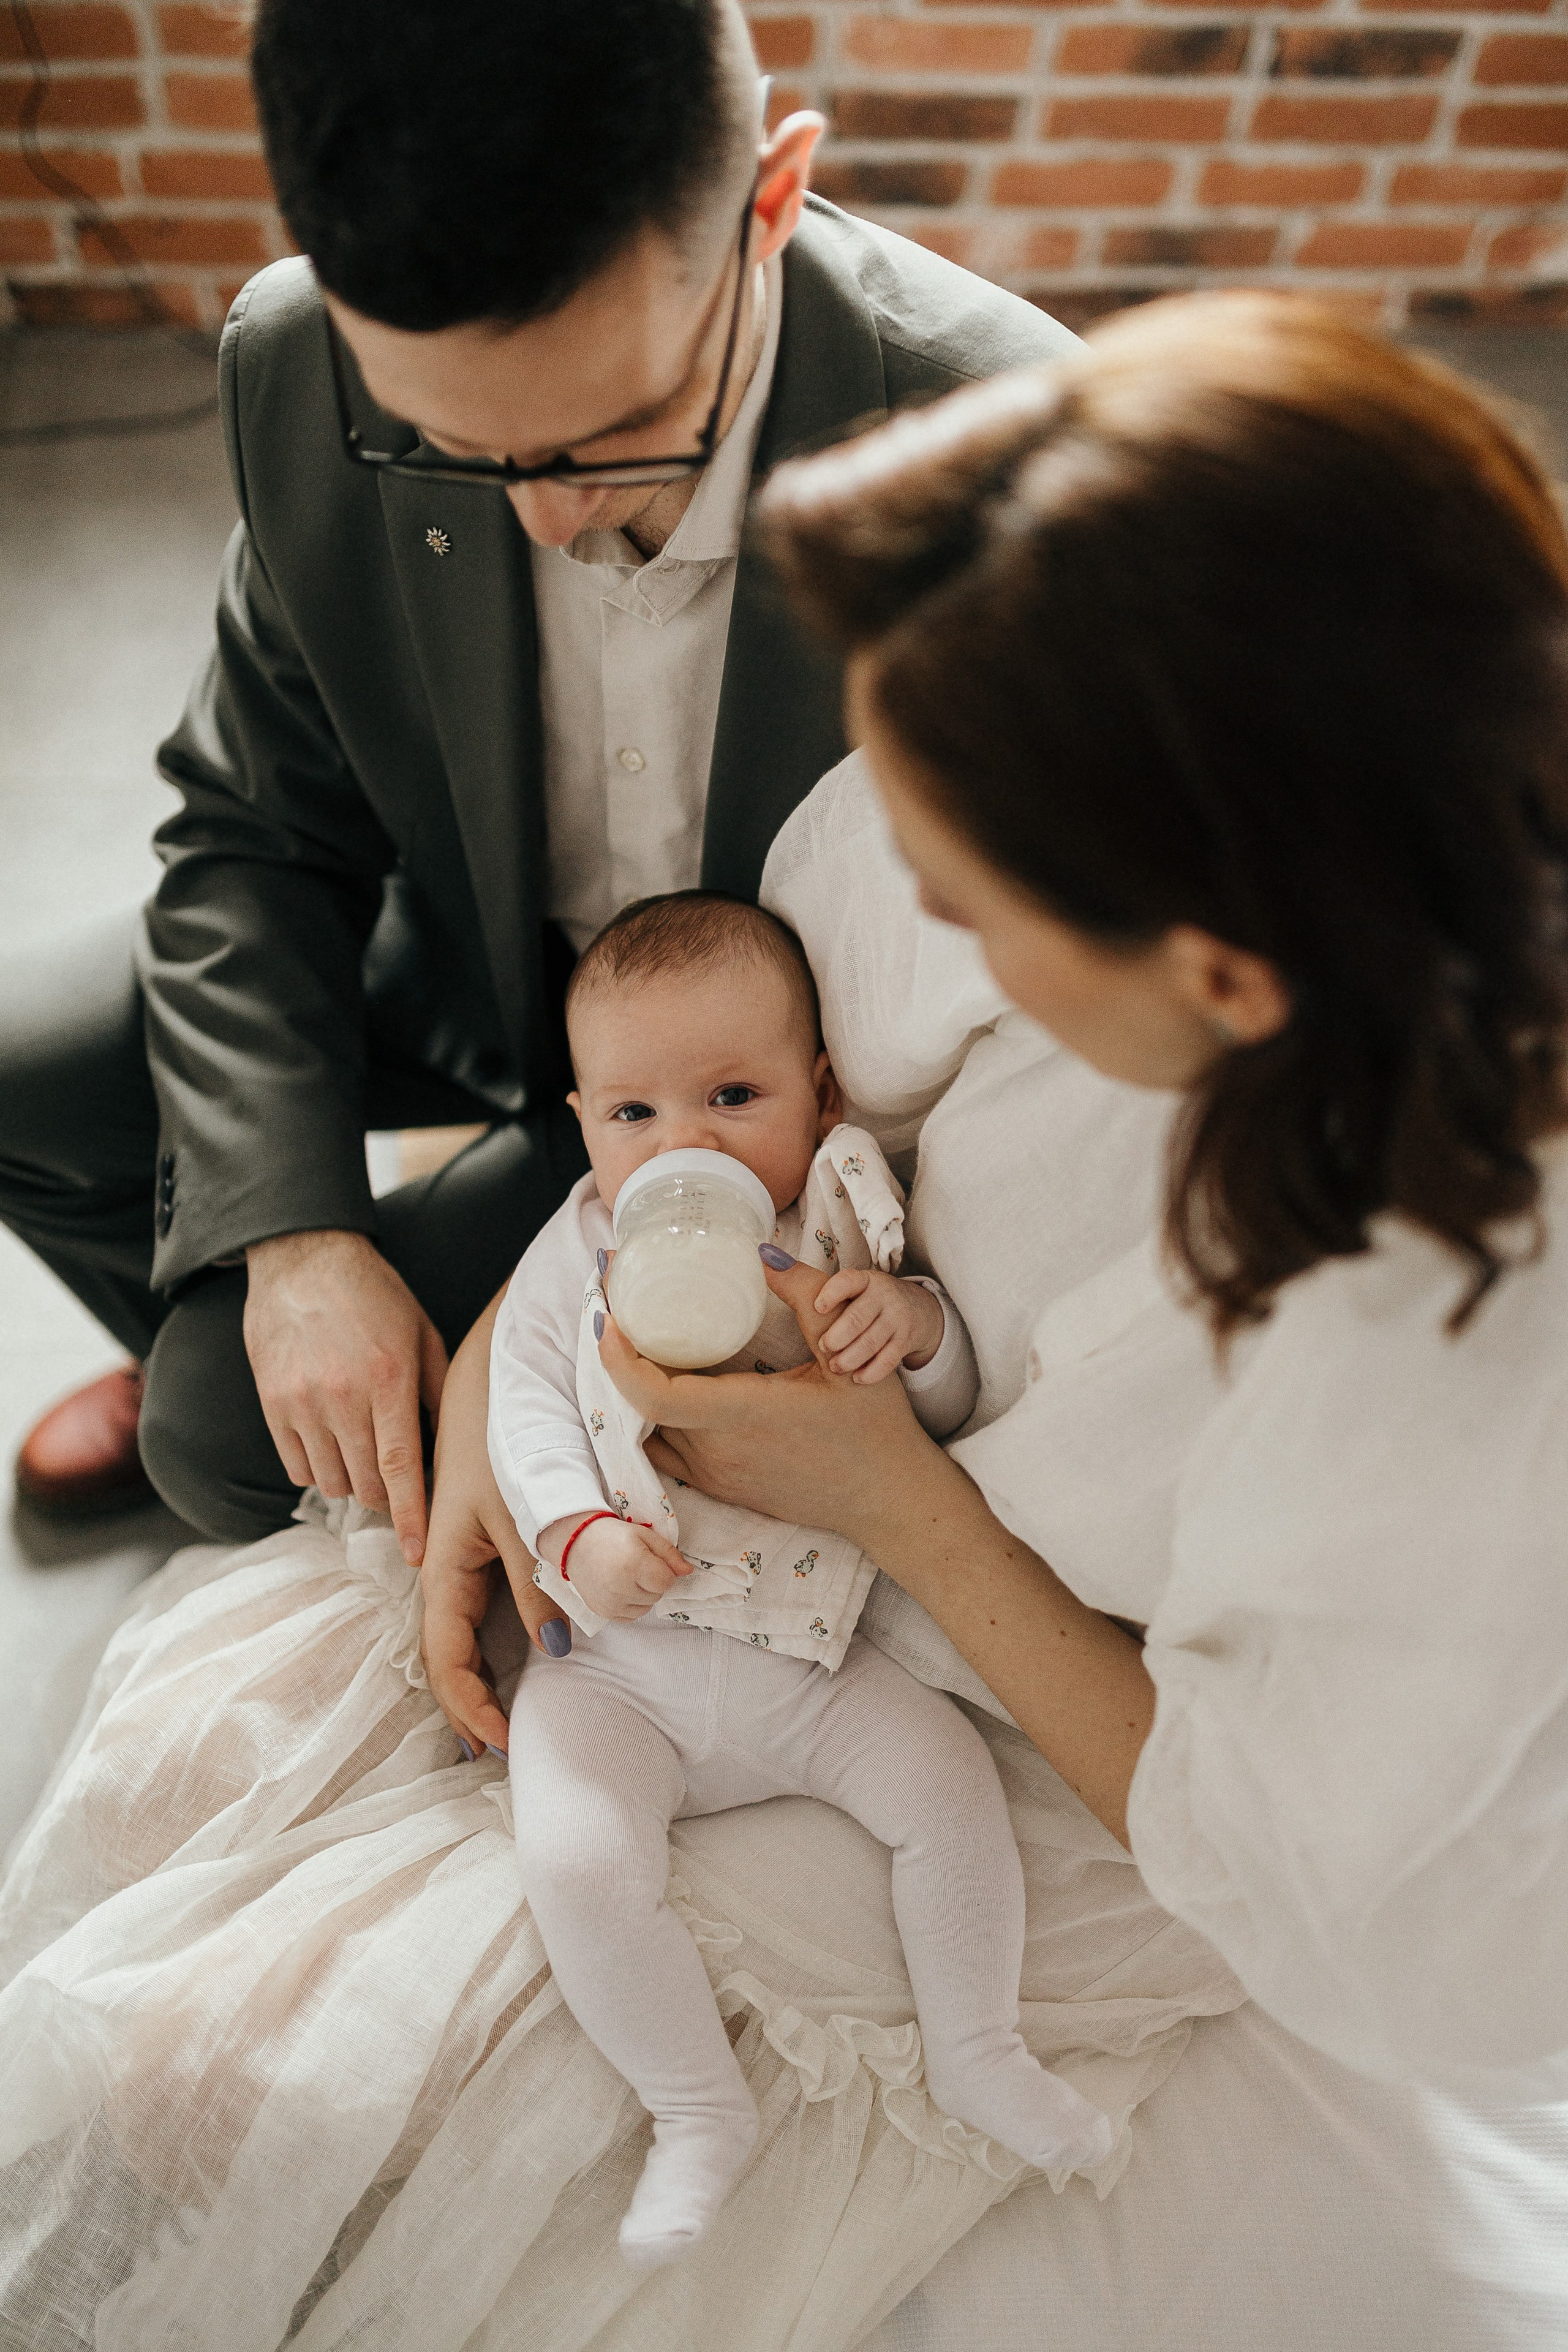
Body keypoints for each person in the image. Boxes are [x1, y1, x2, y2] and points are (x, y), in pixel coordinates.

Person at [4, 295, 1563, 2348]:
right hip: (735, 1505)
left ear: (1222, 983)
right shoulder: (998, 818)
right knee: (198, 1835)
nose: (930, 914)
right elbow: (735, 1061)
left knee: (258, 2076)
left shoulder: (1459, 1411)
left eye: (987, 902)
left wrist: (907, 1511)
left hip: (1032, 1727)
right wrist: (500, 1363)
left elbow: (1306, 1880)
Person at [1, 0, 1074, 1548]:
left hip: (744, 1089)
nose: (552, 528)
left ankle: (298, 1417)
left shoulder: (1006, 436)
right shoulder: (302, 365)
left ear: (769, 205)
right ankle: (267, 1330)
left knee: (210, 1442)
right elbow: (254, 828)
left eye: (619, 432)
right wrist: (291, 1241)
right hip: (468, 950)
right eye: (448, 443)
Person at [487, 888, 1111, 2265]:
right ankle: (694, 2105)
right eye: (631, 1115)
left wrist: (910, 1326)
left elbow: (943, 1407)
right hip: (626, 1671)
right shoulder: (576, 1246)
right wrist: (572, 1534)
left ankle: (976, 2045)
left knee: (948, 1796)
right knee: (577, 1862)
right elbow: (523, 1404)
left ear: (817, 1091)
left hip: (812, 1651)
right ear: (584, 1123)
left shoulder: (838, 1221)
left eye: (729, 1094)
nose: (682, 1145)